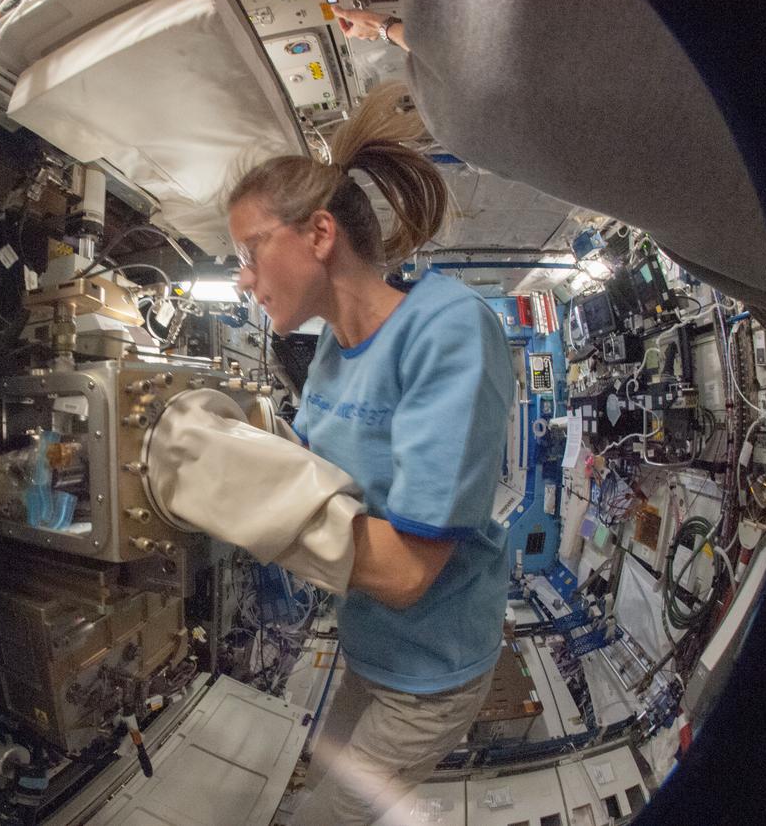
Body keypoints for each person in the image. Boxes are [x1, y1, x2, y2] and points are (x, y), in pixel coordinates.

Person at [147, 86, 515, 824]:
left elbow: (406, 573)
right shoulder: (331, 353)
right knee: (318, 780)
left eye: (250, 253)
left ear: (319, 233)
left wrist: (239, 490)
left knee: (331, 816)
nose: (243, 278)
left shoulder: (448, 329)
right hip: (368, 645)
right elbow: (317, 476)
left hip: (433, 672)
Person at [223, 0, 766, 342]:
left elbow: (467, 49)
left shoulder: (462, 108)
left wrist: (392, 30)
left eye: (252, 250)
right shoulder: (465, 79)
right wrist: (390, 26)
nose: (246, 279)